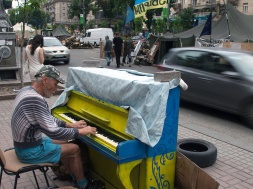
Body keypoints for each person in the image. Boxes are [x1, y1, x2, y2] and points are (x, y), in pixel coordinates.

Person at [11, 65, 103, 189]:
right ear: (45, 80)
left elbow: (47, 119)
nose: (56, 88)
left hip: (26, 144)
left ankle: (73, 175)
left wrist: (69, 124)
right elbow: (54, 132)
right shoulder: (35, 100)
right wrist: (81, 131)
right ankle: (84, 184)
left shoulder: (26, 90)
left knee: (64, 141)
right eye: (55, 84)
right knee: (74, 149)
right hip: (29, 152)